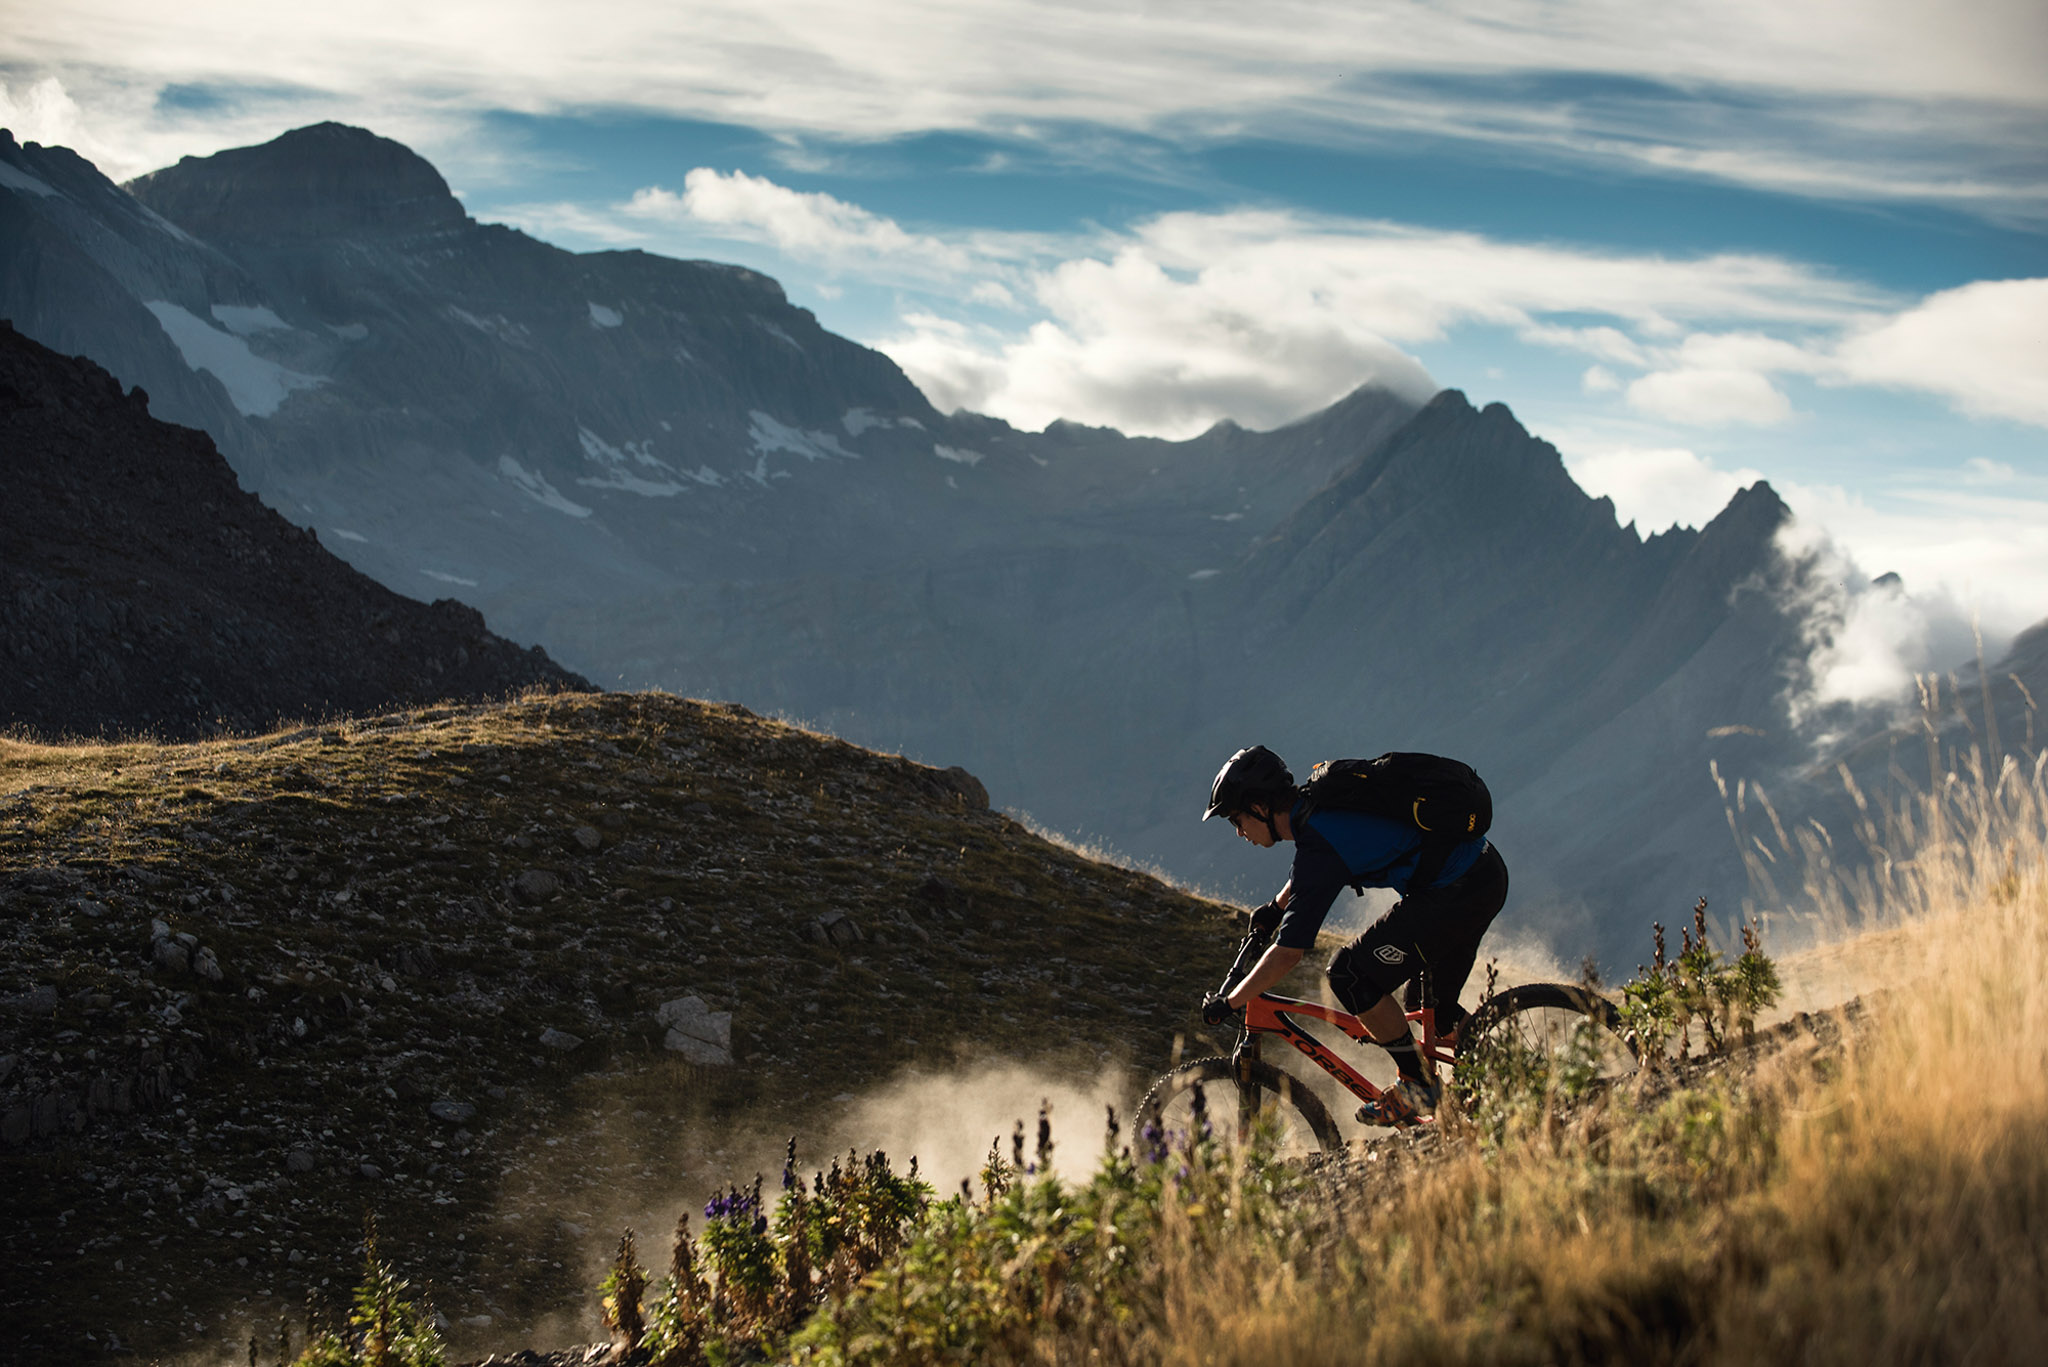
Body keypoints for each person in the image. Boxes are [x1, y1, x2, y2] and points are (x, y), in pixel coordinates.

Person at [1197, 744, 1508, 1125]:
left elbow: (1288, 952)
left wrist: (1231, 1001)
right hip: (1481, 871)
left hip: (1456, 891)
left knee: (1349, 973)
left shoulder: (1318, 843)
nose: (1239, 832)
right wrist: (1277, 908)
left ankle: (1418, 1085)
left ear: (1259, 806)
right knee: (1433, 1012)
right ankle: (1520, 1077)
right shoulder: (1316, 802)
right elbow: (1315, 865)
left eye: (1236, 819)